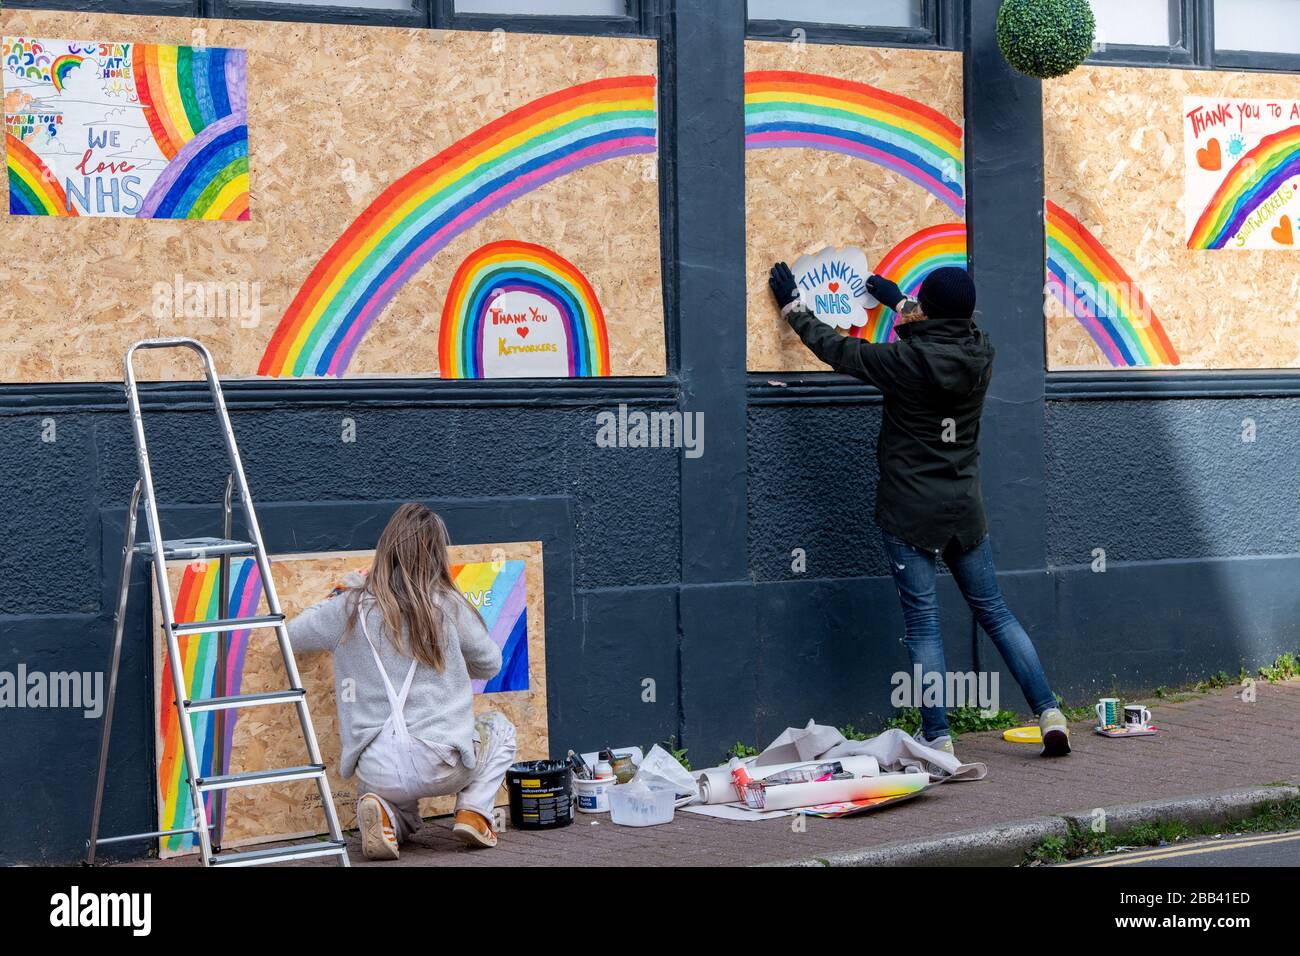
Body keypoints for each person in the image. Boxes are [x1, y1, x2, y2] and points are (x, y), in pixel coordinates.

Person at [768, 261, 1070, 758]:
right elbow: (946, 327)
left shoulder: (903, 362)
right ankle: (1048, 711)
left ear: (927, 309)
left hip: (910, 511)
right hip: (964, 510)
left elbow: (838, 349)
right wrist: (897, 300)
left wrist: (795, 308)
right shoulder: (982, 351)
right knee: (995, 612)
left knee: (924, 625)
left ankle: (939, 736)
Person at [288, 503, 518, 859]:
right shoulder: (449, 605)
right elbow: (489, 664)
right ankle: (473, 810)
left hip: (377, 767)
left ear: (385, 549)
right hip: (443, 761)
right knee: (499, 727)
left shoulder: (350, 607)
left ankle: (384, 815)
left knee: (395, 801)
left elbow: (293, 636)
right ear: (438, 555)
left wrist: (339, 592)